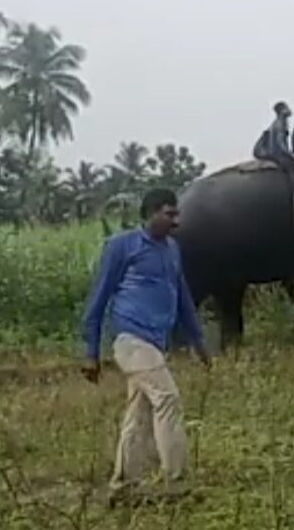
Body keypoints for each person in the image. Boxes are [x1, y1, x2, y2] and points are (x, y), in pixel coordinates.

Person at [81, 188, 211, 507]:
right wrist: (91, 351)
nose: (175, 220)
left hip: (155, 342)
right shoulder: (121, 247)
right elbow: (97, 300)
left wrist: (199, 342)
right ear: (151, 213)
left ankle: (123, 486)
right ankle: (176, 482)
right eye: (169, 213)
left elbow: (182, 300)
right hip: (130, 338)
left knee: (139, 412)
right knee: (168, 399)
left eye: (175, 213)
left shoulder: (171, 250)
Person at [254, 101, 294, 202]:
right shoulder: (280, 123)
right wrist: (289, 154)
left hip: (275, 151)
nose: (289, 110)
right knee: (292, 165)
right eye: (286, 108)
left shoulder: (279, 122)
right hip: (276, 153)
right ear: (281, 111)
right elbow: (280, 142)